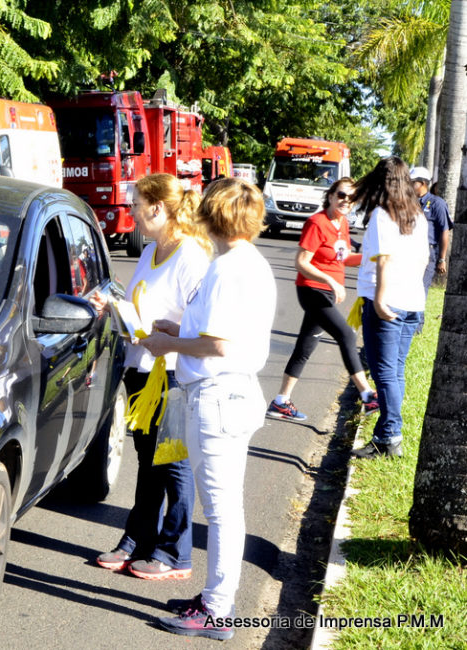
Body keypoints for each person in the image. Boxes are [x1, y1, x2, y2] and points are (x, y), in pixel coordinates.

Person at [140, 178, 276, 641]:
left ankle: (217, 609)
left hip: (217, 397)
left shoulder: (228, 268)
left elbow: (217, 343)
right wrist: (179, 328)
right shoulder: (246, 264)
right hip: (227, 394)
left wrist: (169, 341)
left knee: (220, 512)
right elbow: (222, 333)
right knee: (223, 509)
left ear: (214, 216)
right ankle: (215, 600)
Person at [89, 173, 212, 581]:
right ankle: (138, 539)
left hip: (175, 377)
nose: (132, 214)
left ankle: (175, 552)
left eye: (136, 206)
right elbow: (142, 306)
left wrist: (165, 338)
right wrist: (114, 306)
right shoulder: (153, 250)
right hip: (144, 372)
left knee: (173, 465)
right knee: (148, 462)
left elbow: (201, 327)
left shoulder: (192, 256)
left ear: (158, 208)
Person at [267, 178, 379, 421]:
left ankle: (280, 401)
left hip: (326, 291)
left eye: (351, 199)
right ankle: (368, 395)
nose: (345, 201)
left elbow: (343, 258)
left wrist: (371, 257)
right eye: (341, 195)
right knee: (347, 335)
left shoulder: (342, 224)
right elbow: (301, 262)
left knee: (305, 346)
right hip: (311, 290)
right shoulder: (317, 223)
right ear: (330, 196)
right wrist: (332, 282)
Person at [351, 157, 429, 459]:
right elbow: (423, 260)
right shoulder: (417, 216)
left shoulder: (384, 215)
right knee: (395, 371)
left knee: (384, 373)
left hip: (387, 304)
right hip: (412, 303)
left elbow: (383, 260)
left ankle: (389, 437)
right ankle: (388, 435)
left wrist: (381, 300)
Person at [409, 166, 452, 294]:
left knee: (420, 292)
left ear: (422, 183)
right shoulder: (408, 202)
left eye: (412, 183)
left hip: (429, 252)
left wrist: (442, 259)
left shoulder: (437, 203)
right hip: (409, 250)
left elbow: (444, 231)